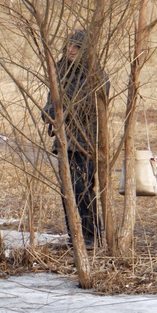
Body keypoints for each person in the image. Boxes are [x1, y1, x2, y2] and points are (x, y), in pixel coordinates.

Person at [43, 29, 108, 249]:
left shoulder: (96, 75)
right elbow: (51, 102)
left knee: (83, 190)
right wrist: (51, 114)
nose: (71, 50)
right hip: (64, 142)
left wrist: (63, 110)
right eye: (69, 45)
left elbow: (92, 107)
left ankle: (91, 236)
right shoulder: (60, 71)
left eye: (77, 47)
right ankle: (75, 236)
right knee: (67, 191)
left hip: (86, 142)